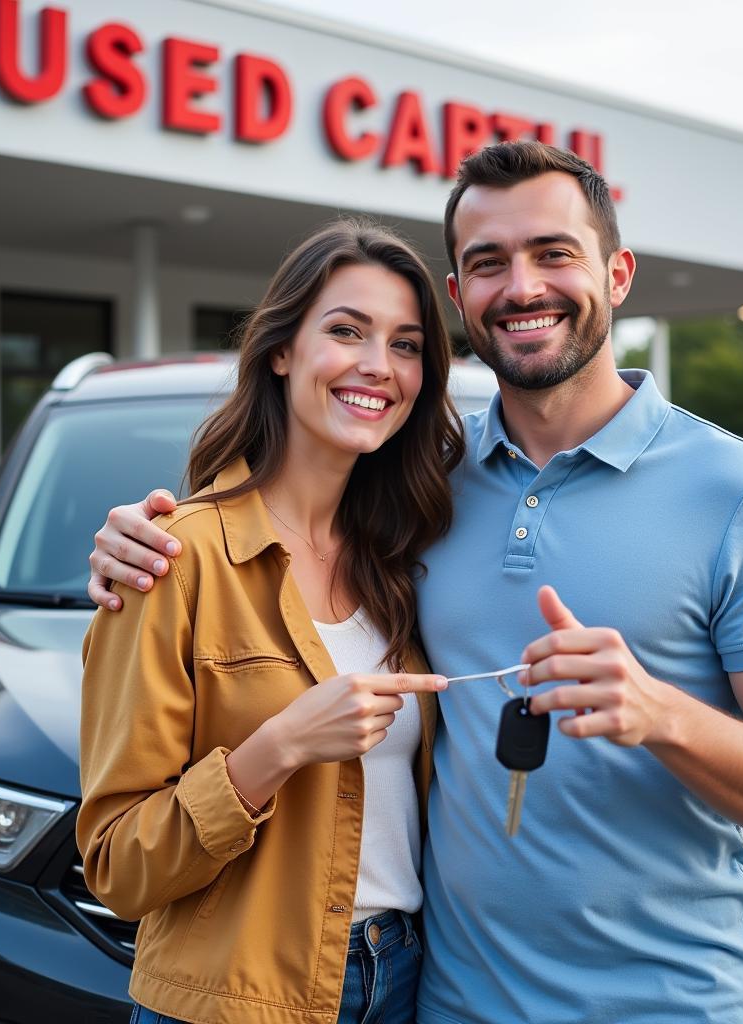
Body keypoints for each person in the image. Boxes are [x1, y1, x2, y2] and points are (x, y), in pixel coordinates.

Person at [88, 142, 743, 1023]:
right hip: (444, 1000)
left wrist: (661, 713)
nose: (522, 286)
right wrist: (133, 544)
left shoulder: (742, 495)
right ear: (461, 297)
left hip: (671, 1003)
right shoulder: (425, 491)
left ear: (619, 272)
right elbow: (270, 534)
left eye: (553, 253)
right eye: (488, 262)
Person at [76, 219, 465, 1024]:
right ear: (281, 349)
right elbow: (116, 866)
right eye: (346, 331)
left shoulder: (408, 555)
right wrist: (277, 748)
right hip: (236, 1001)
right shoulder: (171, 559)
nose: (376, 366)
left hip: (407, 979)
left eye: (406, 344)